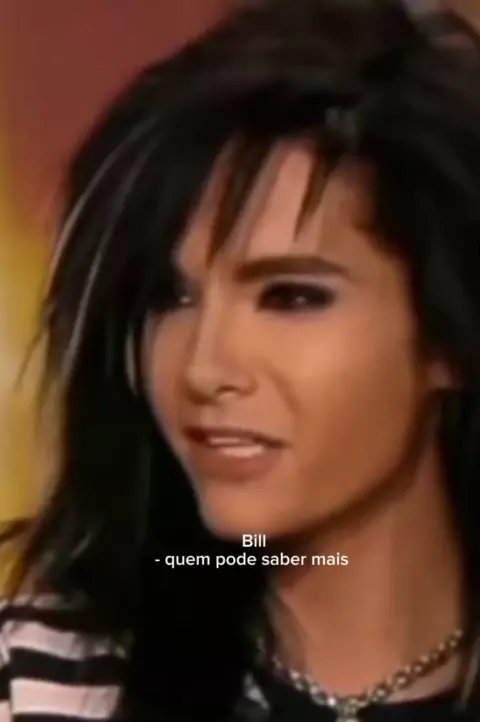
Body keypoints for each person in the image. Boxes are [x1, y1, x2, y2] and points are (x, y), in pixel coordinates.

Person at [2, 0, 480, 719]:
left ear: (447, 336)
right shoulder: (40, 686)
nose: (203, 368)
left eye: (290, 297)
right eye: (169, 298)